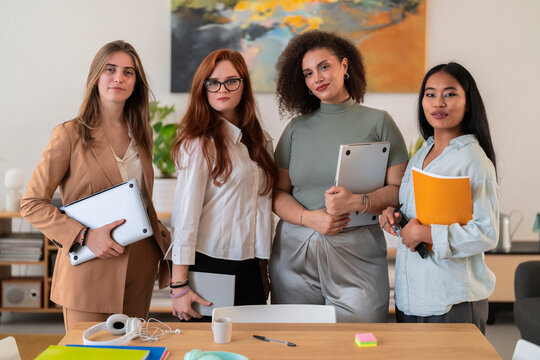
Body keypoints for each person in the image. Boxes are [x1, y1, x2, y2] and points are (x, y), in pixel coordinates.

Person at [20, 40, 171, 331]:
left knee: (130, 353)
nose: (119, 78)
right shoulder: (69, 134)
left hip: (138, 269)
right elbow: (31, 203)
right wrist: (84, 235)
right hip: (89, 270)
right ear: (96, 77)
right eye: (110, 69)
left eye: (128, 72)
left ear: (135, 83)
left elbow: (142, 199)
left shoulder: (143, 134)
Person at [270, 30, 409, 322]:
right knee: (297, 342)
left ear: (345, 66)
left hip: (357, 251)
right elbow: (277, 194)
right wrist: (311, 219)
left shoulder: (379, 121)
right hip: (295, 252)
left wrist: (358, 201)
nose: (317, 78)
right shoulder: (296, 129)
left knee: (362, 343)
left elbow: (400, 189)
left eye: (324, 66)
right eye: (308, 73)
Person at [379, 62, 499, 334]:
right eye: (430, 94)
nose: (438, 102)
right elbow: (417, 213)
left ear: (468, 103)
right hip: (411, 300)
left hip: (452, 302)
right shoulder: (421, 154)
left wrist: (425, 232)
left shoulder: (473, 160)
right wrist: (395, 216)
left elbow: (486, 233)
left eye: (450, 94)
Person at [166, 49, 278, 321]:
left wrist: (262, 270)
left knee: (252, 346)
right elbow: (185, 219)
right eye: (212, 82)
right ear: (202, 88)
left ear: (244, 85)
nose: (222, 89)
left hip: (252, 266)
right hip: (209, 264)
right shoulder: (198, 143)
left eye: (231, 81)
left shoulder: (261, 142)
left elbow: (261, 211)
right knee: (211, 348)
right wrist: (179, 286)